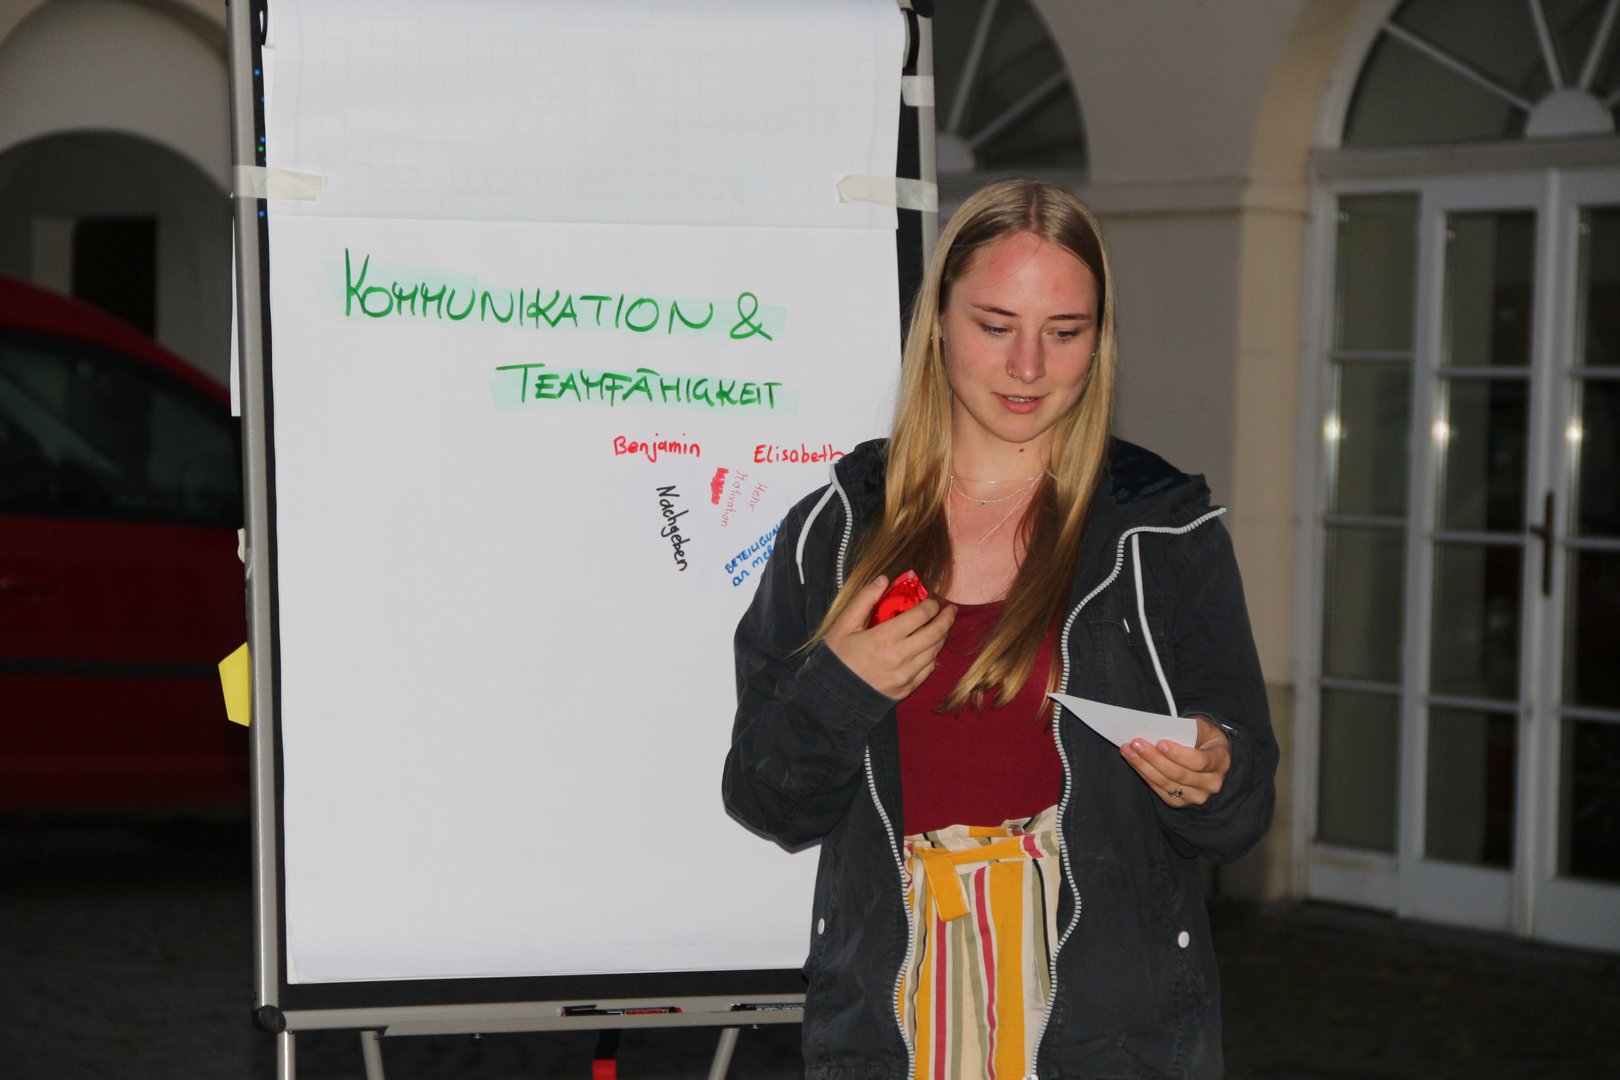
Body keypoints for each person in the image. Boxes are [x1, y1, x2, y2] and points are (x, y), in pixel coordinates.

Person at [723, 178, 1277, 1080]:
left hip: (1108, 1041)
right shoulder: (837, 532)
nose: (1029, 366)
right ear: (938, 323)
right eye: (995, 325)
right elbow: (767, 802)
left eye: (1065, 332)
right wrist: (841, 687)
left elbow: (1240, 814)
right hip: (890, 1035)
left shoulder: (1162, 532)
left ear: (1100, 340)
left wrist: (1216, 772)